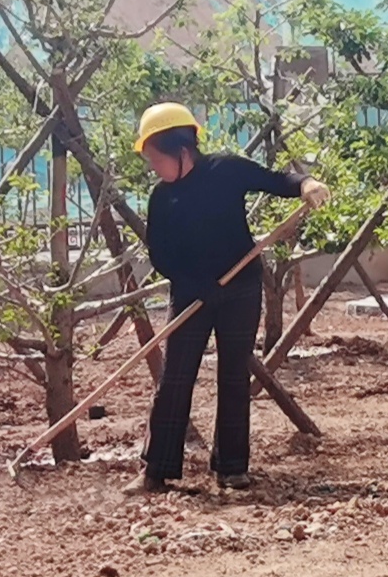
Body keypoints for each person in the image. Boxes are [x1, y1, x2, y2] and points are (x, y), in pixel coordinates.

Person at [131, 102, 334, 495]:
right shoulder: (162, 198)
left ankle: (232, 467)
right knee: (175, 377)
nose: (153, 167)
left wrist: (306, 184)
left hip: (240, 288)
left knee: (234, 376)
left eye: (155, 158)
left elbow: (276, 180)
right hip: (191, 293)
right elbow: (161, 255)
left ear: (180, 150)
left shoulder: (225, 170)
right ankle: (155, 470)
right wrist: (196, 282)